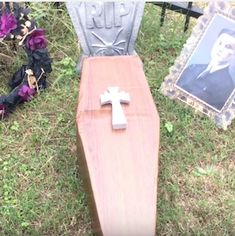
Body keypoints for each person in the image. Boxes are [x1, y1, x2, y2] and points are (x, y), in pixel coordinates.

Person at [176, 28, 235, 111]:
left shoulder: (228, 86)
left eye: (228, 46)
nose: (220, 48)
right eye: (220, 43)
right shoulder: (193, 67)